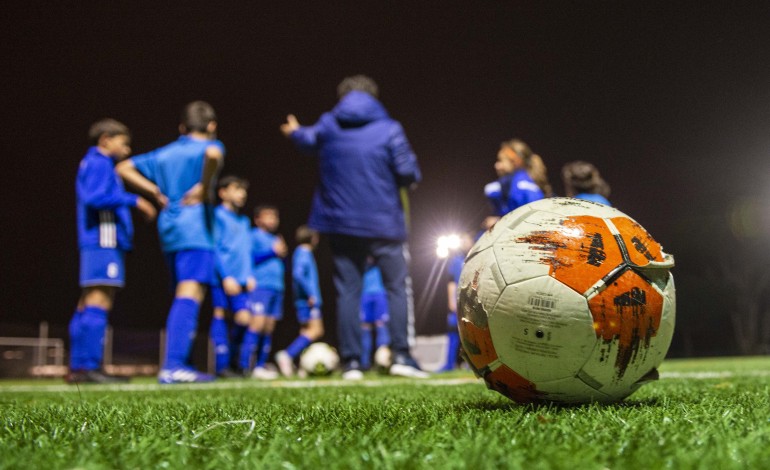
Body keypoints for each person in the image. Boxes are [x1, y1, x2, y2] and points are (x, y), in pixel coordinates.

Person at [281, 74, 427, 379]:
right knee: (396, 288)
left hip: (341, 223)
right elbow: (409, 172)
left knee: (348, 291)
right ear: (374, 97)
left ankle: (351, 363)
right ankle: (400, 355)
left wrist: (294, 132)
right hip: (384, 222)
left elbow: (307, 141)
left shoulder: (328, 125)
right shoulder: (389, 128)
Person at [116, 101, 224, 384]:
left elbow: (124, 167)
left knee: (181, 292)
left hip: (169, 228)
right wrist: (205, 185)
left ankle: (178, 362)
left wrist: (154, 190)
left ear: (182, 127)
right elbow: (213, 154)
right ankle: (173, 365)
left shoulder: (165, 152)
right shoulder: (210, 145)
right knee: (190, 294)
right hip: (196, 228)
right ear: (211, 126)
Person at [67, 119, 158, 384]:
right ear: (106, 139)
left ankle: (80, 367)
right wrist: (136, 200)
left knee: (86, 302)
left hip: (96, 241)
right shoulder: (99, 162)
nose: (127, 149)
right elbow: (94, 198)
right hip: (103, 241)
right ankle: (90, 367)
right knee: (99, 299)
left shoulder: (92, 162)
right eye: (123, 142)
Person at [210, 176, 255, 378]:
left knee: (244, 319)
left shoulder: (244, 221)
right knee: (221, 314)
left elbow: (247, 251)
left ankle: (238, 363)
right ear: (223, 192)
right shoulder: (217, 216)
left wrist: (250, 274)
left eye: (243, 190)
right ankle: (222, 366)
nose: (242, 193)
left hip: (243, 279)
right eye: (237, 189)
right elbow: (215, 247)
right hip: (224, 278)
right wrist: (226, 276)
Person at [240, 205, 286, 380]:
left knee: (268, 328)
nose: (272, 220)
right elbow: (249, 257)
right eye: (268, 217)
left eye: (275, 217)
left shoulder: (275, 238)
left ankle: (260, 366)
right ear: (258, 219)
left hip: (276, 287)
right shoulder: (253, 235)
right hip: (261, 285)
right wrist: (272, 252)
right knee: (256, 325)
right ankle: (245, 366)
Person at [275, 225, 324, 377]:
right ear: (313, 238)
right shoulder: (304, 253)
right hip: (307, 300)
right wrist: (310, 294)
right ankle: (287, 355)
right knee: (316, 330)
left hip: (303, 300)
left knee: (305, 331)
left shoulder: (301, 253)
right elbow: (298, 275)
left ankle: (302, 365)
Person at [483, 139, 550, 229]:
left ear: (516, 161)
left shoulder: (521, 186)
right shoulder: (514, 184)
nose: (497, 166)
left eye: (501, 161)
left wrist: (499, 222)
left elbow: (532, 220)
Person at [438, 232, 474, 372]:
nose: (465, 243)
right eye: (462, 240)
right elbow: (451, 282)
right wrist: (451, 301)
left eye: (467, 239)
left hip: (472, 301)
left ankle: (473, 364)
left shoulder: (476, 258)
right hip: (458, 302)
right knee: (453, 331)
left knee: (472, 333)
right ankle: (448, 364)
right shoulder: (455, 260)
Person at [359, 263, 390, 371]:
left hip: (380, 293)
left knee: (381, 326)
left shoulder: (380, 253)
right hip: (364, 293)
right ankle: (364, 363)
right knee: (365, 328)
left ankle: (383, 362)